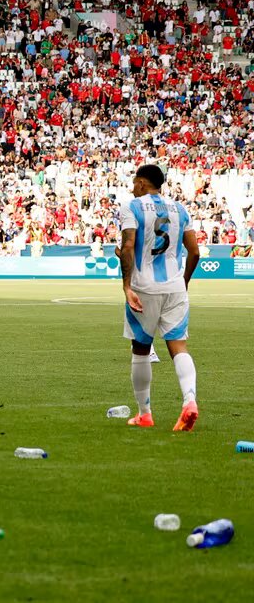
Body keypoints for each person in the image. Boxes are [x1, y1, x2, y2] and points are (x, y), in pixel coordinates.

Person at [118, 164, 201, 431]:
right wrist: (183, 283)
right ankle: (189, 401)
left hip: (145, 287)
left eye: (134, 183)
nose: (132, 187)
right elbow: (195, 252)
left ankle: (145, 413)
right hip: (175, 286)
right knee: (179, 346)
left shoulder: (132, 207)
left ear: (142, 183)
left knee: (141, 349)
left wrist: (127, 286)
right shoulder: (180, 209)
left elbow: (129, 246)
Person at [114, 241, 160, 364]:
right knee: (138, 311)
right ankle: (148, 349)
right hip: (136, 278)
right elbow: (118, 250)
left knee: (150, 313)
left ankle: (143, 346)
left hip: (153, 277)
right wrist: (129, 260)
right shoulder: (130, 230)